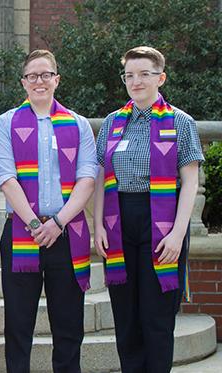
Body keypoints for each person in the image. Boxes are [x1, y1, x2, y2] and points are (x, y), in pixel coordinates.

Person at [93, 46, 204, 373]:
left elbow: (190, 182)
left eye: (144, 74)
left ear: (161, 77)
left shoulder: (180, 122)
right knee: (126, 318)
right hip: (118, 223)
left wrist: (177, 235)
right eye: (129, 75)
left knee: (156, 318)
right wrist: (98, 225)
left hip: (162, 226)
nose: (136, 81)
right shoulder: (113, 122)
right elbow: (101, 177)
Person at [0, 49, 98, 373]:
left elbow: (87, 179)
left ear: (57, 80)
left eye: (46, 74)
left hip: (67, 236)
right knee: (18, 327)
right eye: (32, 75)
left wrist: (58, 223)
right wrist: (37, 224)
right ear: (23, 82)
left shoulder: (78, 125)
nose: (39, 81)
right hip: (23, 231)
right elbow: (7, 178)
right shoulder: (5, 123)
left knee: (68, 328)